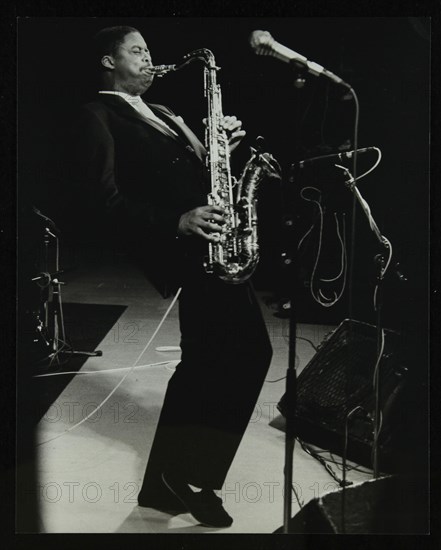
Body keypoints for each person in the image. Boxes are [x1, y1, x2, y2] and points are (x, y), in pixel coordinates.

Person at [64, 26, 273, 528]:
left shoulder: (164, 114)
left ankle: (164, 482)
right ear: (107, 62)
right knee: (239, 354)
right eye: (136, 51)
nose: (150, 59)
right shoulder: (96, 116)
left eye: (149, 50)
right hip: (186, 249)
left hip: (212, 245)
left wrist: (220, 147)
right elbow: (101, 202)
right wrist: (175, 222)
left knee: (207, 361)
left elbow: (198, 174)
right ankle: (191, 477)